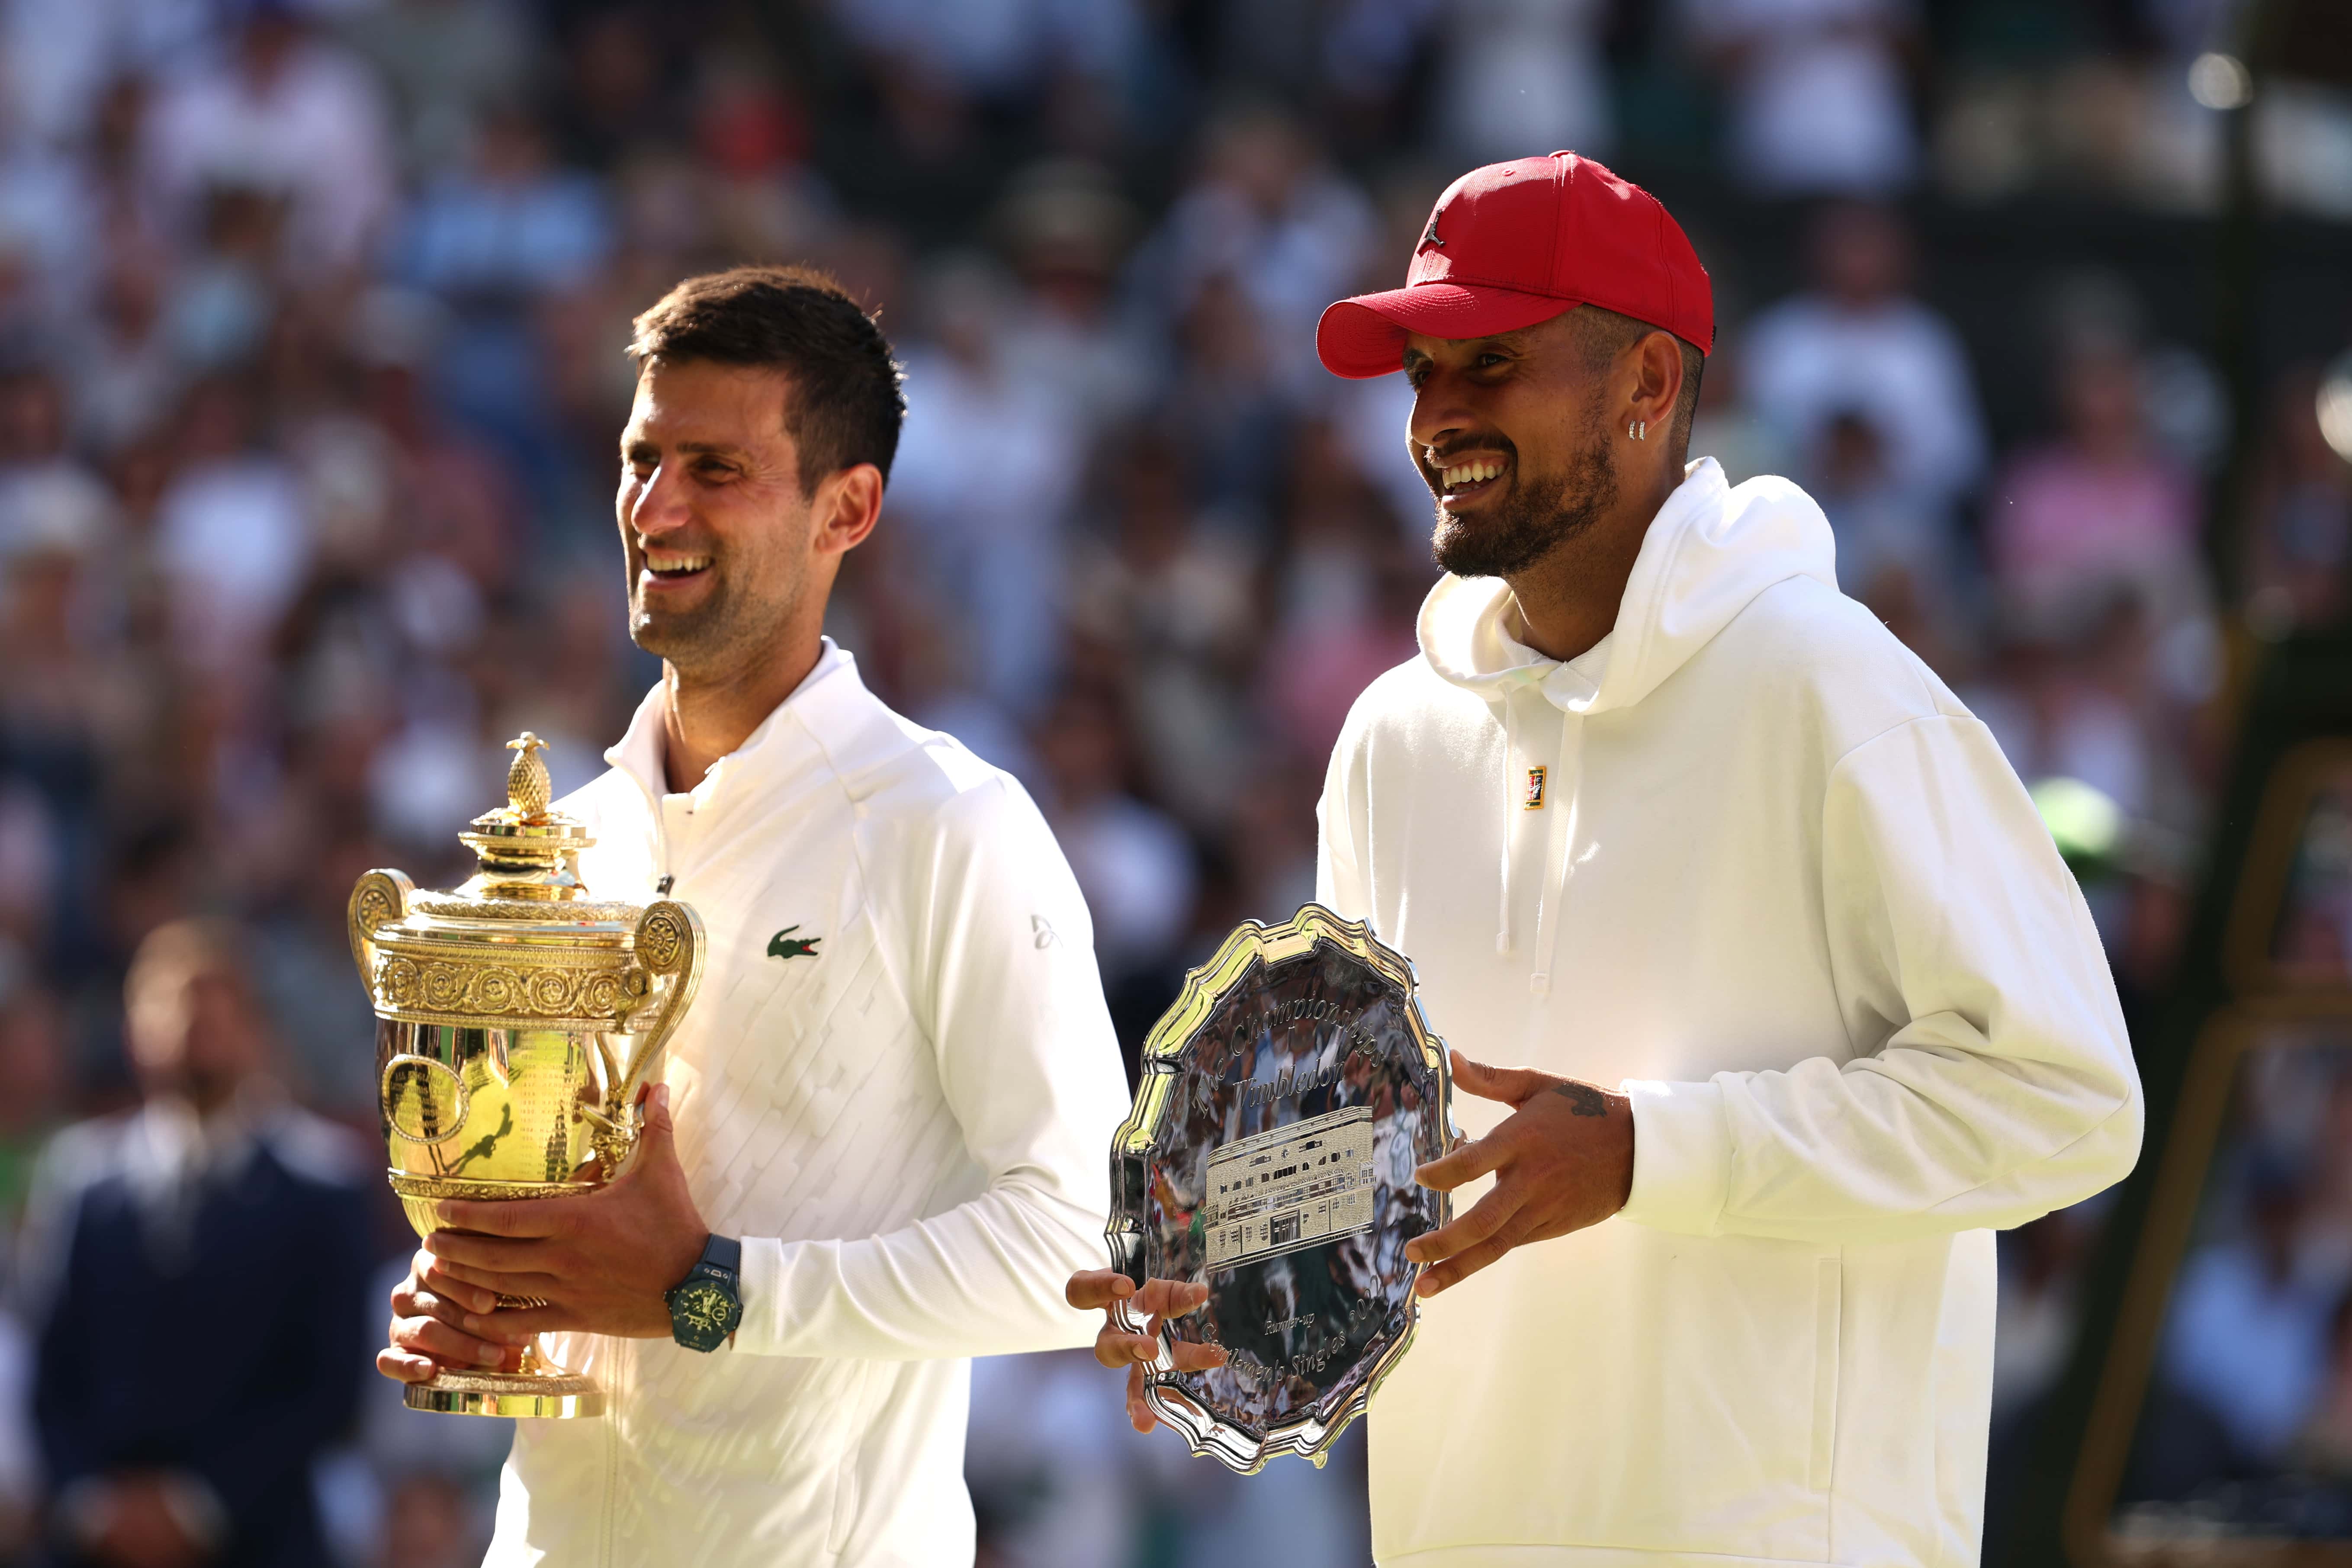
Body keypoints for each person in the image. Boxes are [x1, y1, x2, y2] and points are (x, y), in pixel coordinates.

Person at [1073, 152, 2143, 1568]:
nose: (1435, 415)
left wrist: (1654, 1152)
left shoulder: (1831, 689)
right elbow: (1398, 1160)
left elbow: (2065, 1098)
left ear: (1644, 384)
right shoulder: (1392, 737)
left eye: (1489, 366)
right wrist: (1242, 1259)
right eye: (1420, 373)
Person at [377, 265, 1131, 1565]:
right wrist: (496, 1303)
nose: (653, 506)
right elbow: (601, 1250)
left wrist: (712, 1288)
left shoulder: (948, 822)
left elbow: (1091, 1238)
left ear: (850, 509)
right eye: (640, 457)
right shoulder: (579, 842)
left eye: (714, 469)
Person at [22, 916, 375, 1568]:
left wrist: (200, 1505)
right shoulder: (82, 1185)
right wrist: (94, 1505)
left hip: (265, 1541)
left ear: (257, 1032)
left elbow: (330, 1388)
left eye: (220, 1007)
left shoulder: (322, 1191)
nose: (198, 1027)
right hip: (99, 1544)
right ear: (134, 1033)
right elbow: (52, 1375)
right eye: (177, 1005)